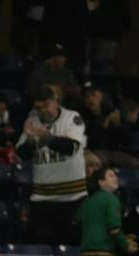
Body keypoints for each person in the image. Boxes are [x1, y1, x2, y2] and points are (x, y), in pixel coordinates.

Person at [18, 90, 88, 246]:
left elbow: (71, 148)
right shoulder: (32, 120)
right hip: (42, 199)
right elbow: (22, 154)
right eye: (38, 107)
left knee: (71, 249)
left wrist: (46, 137)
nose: (43, 110)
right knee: (42, 248)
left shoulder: (72, 117)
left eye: (46, 105)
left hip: (73, 197)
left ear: (56, 101)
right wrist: (30, 140)